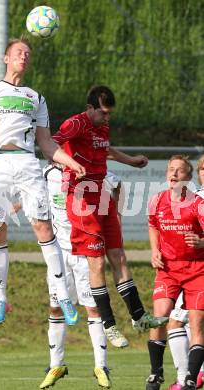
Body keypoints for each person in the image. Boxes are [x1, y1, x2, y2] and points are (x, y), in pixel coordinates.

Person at [0, 38, 86, 327]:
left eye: (27, 54)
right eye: (18, 53)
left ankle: (62, 295)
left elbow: (46, 143)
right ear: (6, 58)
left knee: (43, 227)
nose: (23, 57)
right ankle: (0, 298)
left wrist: (71, 162)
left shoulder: (36, 97)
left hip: (26, 162)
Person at [53, 85, 168, 348]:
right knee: (96, 263)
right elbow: (51, 146)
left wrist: (130, 161)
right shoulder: (75, 124)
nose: (107, 118)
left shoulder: (102, 126)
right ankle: (108, 324)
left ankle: (139, 317)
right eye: (103, 113)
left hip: (101, 194)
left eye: (109, 114)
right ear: (90, 108)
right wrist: (70, 164)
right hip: (81, 199)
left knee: (118, 255)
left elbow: (105, 150)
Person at [39, 163, 110, 389]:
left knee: (93, 308)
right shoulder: (47, 173)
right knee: (56, 307)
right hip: (58, 253)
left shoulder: (88, 168)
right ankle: (56, 365)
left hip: (84, 252)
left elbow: (114, 183)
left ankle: (101, 366)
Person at [145, 155, 204, 390]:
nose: (174, 174)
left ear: (188, 177)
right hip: (168, 269)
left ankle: (190, 377)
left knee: (197, 324)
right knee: (159, 317)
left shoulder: (198, 203)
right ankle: (155, 373)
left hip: (197, 270)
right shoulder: (156, 201)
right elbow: (152, 226)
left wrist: (201, 242)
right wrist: (154, 251)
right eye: (171, 169)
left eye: (180, 171)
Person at [166, 155, 204, 390]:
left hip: (197, 271)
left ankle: (187, 378)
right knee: (183, 322)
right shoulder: (196, 197)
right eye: (203, 168)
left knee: (176, 322)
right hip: (189, 269)